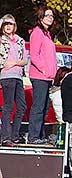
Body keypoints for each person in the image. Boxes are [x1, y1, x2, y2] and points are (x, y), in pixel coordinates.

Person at [28, 6, 57, 144]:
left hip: (48, 78)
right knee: (38, 107)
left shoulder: (47, 34)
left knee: (45, 108)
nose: (50, 18)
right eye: (47, 15)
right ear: (41, 17)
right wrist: (44, 69)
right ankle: (33, 136)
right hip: (39, 76)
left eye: (52, 16)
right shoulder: (37, 33)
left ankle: (40, 135)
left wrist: (53, 73)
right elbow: (34, 55)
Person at [0, 14, 28, 146]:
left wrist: (14, 63)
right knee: (8, 106)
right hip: (7, 76)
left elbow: (25, 60)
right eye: (5, 24)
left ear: (14, 26)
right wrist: (7, 64)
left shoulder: (20, 41)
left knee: (21, 107)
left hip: (18, 76)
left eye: (10, 24)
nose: (8, 26)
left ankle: (15, 135)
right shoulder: (1, 40)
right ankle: (6, 137)